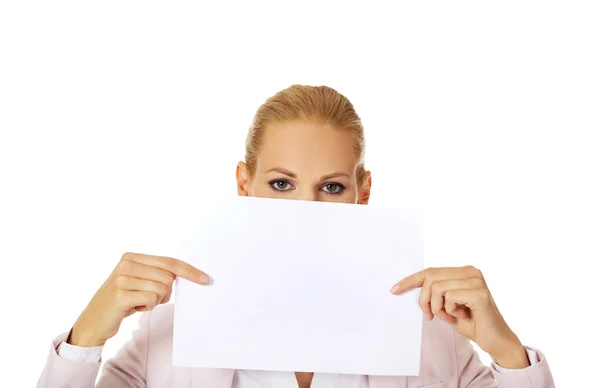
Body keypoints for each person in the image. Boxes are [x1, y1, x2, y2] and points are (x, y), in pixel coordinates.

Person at [37, 85, 555, 388]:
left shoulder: (434, 338)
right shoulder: (167, 335)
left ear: (363, 191)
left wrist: (505, 350)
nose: (306, 209)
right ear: (245, 184)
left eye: (331, 186)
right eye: (281, 184)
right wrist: (86, 337)